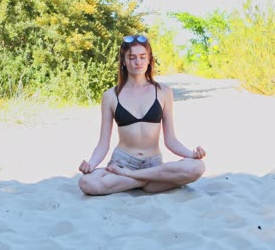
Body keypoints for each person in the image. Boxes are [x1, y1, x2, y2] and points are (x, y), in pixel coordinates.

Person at [78, 34, 206, 195]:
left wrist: (192, 154)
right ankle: (147, 181)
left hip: (153, 164)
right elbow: (103, 143)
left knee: (198, 167)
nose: (137, 62)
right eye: (131, 57)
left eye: (142, 57)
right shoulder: (110, 96)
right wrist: (91, 163)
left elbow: (171, 140)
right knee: (86, 182)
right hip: (123, 163)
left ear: (149, 59)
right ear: (123, 61)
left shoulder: (164, 92)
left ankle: (133, 178)